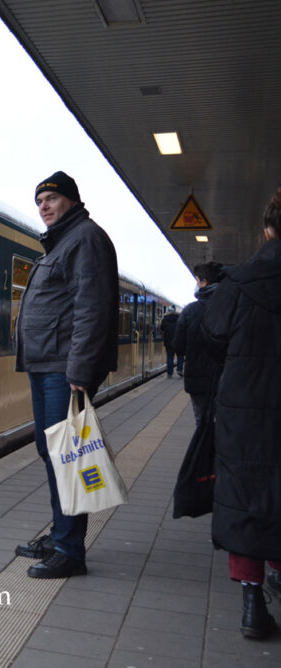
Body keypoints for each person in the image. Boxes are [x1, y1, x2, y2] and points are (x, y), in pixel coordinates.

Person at [14, 171, 119, 579]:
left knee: (68, 457)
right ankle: (60, 533)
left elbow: (92, 308)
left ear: (72, 200)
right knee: (52, 451)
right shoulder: (62, 242)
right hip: (47, 365)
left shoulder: (86, 239)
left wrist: (80, 369)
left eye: (51, 198)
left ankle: (70, 550)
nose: (43, 206)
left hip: (64, 369)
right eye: (39, 200)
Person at [200, 187, 281, 639]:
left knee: (246, 499)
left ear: (266, 230)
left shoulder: (238, 284)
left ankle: (253, 603)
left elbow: (212, 339)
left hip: (245, 413)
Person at [171, 261, 225, 428]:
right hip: (225, 379)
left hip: (197, 378)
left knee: (202, 424)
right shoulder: (231, 307)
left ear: (204, 282)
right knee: (222, 425)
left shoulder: (190, 310)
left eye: (197, 280)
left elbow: (178, 346)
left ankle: (203, 452)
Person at [160, 308, 183, 377]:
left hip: (168, 342)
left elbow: (162, 329)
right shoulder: (180, 319)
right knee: (180, 356)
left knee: (170, 357)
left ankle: (170, 373)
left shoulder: (165, 319)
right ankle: (179, 369)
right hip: (178, 341)